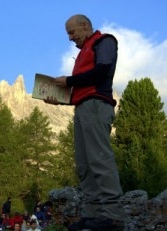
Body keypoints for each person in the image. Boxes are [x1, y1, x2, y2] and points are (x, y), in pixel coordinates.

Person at [44, 14, 124, 230]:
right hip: (83, 108)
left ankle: (113, 214)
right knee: (84, 164)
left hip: (97, 105)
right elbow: (83, 89)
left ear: (85, 25)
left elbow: (102, 72)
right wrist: (60, 99)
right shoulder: (82, 54)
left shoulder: (104, 41)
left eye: (72, 32)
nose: (71, 38)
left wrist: (68, 81)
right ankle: (93, 213)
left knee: (99, 159)